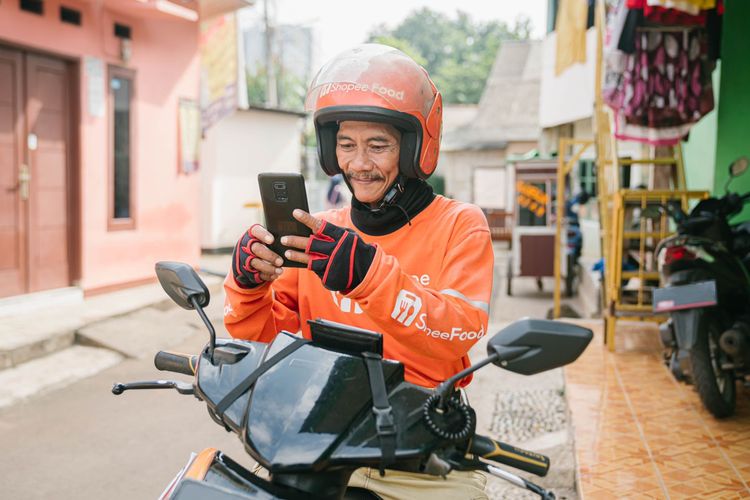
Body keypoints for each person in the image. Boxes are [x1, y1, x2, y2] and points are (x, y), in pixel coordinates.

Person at [224, 43, 493, 499]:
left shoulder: (460, 225)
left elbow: (459, 332)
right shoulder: (322, 233)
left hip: (419, 453)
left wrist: (370, 278)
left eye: (378, 146)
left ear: (414, 149)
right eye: (346, 145)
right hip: (317, 445)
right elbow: (268, 349)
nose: (359, 164)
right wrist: (249, 287)